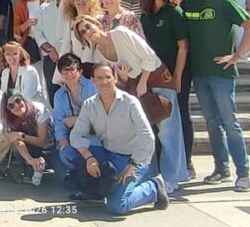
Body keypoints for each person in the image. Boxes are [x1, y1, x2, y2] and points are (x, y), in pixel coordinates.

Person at [74, 15, 188, 193]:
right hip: (136, 88)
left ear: (97, 24)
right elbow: (117, 78)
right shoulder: (97, 54)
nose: (88, 32)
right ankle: (154, 175)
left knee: (168, 131)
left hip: (157, 79)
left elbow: (149, 56)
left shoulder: (121, 34)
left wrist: (143, 81)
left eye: (88, 26)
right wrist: (127, 80)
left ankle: (173, 178)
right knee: (147, 132)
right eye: (83, 32)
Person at [180, 0, 250, 192]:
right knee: (211, 122)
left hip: (221, 73)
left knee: (229, 123)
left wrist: (238, 54)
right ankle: (221, 168)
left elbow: (249, 25)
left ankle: (243, 173)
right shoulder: (185, 4)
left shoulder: (222, 1)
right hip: (199, 73)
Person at [65, 65, 169, 215]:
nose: (104, 82)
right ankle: (97, 190)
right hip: (109, 154)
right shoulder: (90, 104)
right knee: (69, 152)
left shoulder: (130, 102)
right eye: (100, 78)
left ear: (115, 78)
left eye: (108, 77)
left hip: (133, 159)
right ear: (93, 81)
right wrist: (89, 158)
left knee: (117, 206)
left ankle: (153, 187)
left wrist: (132, 165)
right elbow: (75, 135)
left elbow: (147, 136)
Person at [140, 0, 194, 176]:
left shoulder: (175, 12)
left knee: (178, 119)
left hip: (174, 73)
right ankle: (160, 168)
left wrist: (177, 76)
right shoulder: (146, 15)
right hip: (153, 75)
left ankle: (184, 165)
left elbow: (183, 46)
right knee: (157, 119)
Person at [51, 54, 98, 183]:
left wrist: (76, 121)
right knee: (64, 153)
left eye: (72, 69)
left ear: (80, 71)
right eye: (65, 70)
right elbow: (60, 125)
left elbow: (99, 117)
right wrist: (65, 145)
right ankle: (86, 175)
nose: (69, 73)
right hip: (73, 139)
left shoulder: (92, 87)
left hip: (95, 135)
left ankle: (86, 178)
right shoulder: (59, 95)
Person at [1, 91, 52, 185]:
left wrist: (21, 135)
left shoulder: (38, 110)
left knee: (65, 179)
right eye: (11, 106)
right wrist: (30, 159)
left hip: (50, 147)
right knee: (15, 143)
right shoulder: (8, 119)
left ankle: (38, 167)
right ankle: (29, 167)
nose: (17, 106)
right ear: (8, 110)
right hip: (29, 147)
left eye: (18, 100)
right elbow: (15, 141)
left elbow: (42, 142)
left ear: (23, 99)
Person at [36, 0, 71, 92]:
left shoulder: (73, 5)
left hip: (70, 58)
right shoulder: (44, 8)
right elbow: (38, 32)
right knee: (53, 95)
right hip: (51, 59)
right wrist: (50, 50)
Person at [12, 0, 50, 68]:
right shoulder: (19, 5)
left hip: (49, 42)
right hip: (31, 43)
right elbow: (16, 30)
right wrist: (27, 24)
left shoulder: (49, 1)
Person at [59, 0, 102, 64]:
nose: (81, 0)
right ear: (72, 1)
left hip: (97, 67)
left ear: (91, 0)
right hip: (79, 68)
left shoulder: (99, 19)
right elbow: (66, 48)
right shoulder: (69, 23)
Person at [0, 41, 48, 107]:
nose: (11, 57)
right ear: (4, 56)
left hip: (31, 110)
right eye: (8, 54)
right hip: (12, 110)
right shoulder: (5, 72)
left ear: (20, 55)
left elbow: (28, 97)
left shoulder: (29, 71)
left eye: (15, 53)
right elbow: (3, 95)